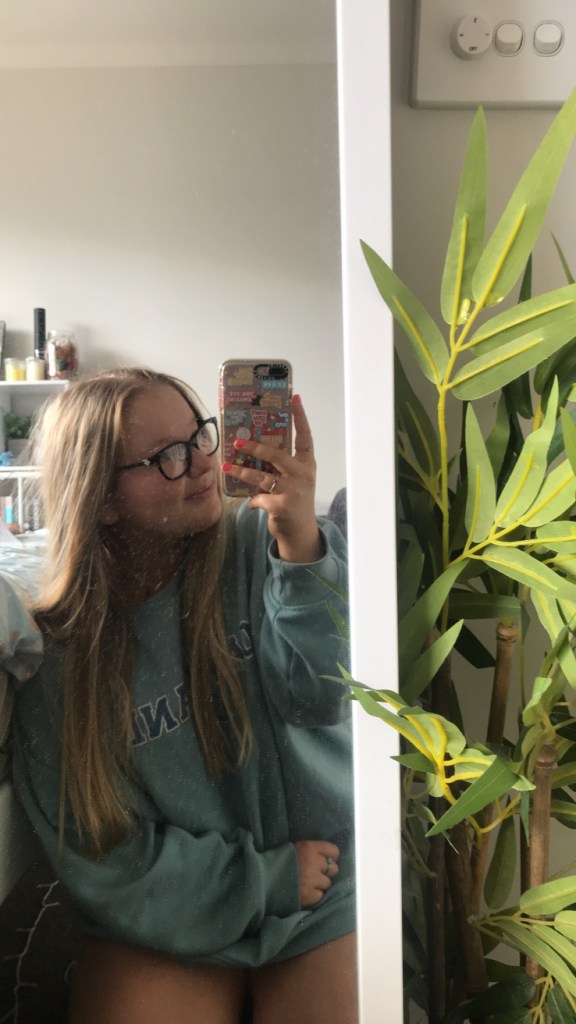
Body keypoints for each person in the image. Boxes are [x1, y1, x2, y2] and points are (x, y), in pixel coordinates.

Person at [11, 366, 356, 1024]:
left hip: (327, 886)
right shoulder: (61, 658)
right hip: (173, 912)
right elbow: (98, 851)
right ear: (101, 499)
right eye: (166, 456)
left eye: (199, 435)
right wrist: (265, 879)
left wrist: (302, 548)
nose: (201, 463)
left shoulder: (266, 542)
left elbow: (322, 701)